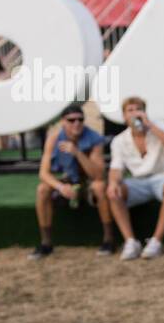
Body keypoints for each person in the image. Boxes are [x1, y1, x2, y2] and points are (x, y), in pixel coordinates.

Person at [29, 103, 113, 259]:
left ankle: (108, 239)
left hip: (87, 181)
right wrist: (60, 187)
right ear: (63, 122)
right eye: (71, 120)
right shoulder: (54, 138)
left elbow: (98, 175)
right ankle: (46, 242)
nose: (77, 123)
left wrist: (77, 152)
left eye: (80, 119)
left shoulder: (94, 138)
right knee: (42, 189)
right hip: (67, 180)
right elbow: (44, 173)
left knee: (100, 187)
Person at [106, 96, 164, 260]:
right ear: (124, 116)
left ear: (145, 112)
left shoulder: (159, 126)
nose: (135, 113)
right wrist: (113, 183)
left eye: (138, 109)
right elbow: (116, 168)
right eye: (131, 110)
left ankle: (156, 241)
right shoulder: (119, 140)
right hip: (139, 182)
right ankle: (130, 242)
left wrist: (150, 125)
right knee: (114, 190)